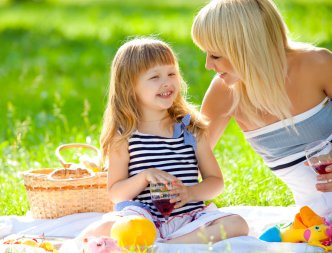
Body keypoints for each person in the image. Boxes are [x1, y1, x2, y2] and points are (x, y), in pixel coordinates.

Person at [79, 37, 248, 244]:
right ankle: (152, 240)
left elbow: (216, 182)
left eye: (171, 73)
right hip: (143, 220)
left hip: (189, 219)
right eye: (155, 77)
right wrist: (144, 176)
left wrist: (190, 192)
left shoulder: (191, 128)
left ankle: (169, 245)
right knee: (104, 227)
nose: (166, 82)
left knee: (237, 223)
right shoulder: (124, 135)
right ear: (130, 86)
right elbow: (116, 193)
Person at [191, 0, 332, 216]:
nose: (208, 65)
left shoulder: (317, 64)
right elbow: (185, 158)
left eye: (216, 55)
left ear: (248, 48)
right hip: (316, 221)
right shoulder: (225, 92)